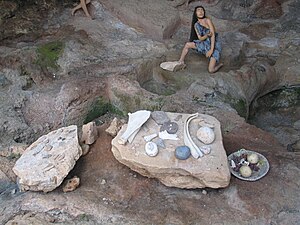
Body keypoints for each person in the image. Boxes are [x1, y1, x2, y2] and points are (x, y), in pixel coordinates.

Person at [177, 6, 223, 73]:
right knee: (187, 44)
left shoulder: (207, 20)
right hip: (204, 43)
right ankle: (181, 61)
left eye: (202, 10)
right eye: (198, 10)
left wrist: (211, 50)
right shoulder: (196, 25)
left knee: (211, 70)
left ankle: (220, 65)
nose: (201, 12)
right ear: (195, 13)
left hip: (213, 44)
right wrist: (206, 35)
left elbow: (213, 36)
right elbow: (200, 38)